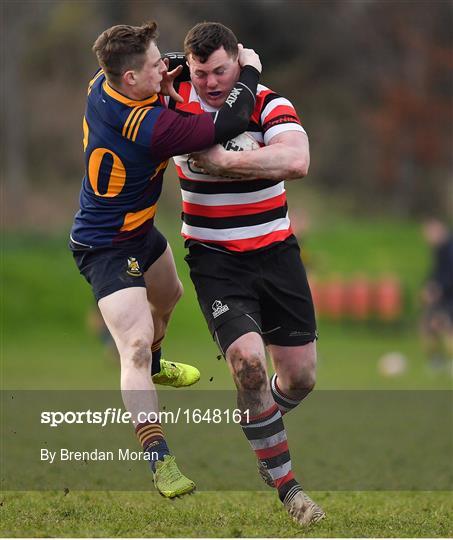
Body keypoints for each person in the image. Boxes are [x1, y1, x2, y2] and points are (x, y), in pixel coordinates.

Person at [69, 21, 262, 498]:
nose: (165, 66)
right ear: (131, 79)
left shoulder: (105, 79)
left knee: (170, 295)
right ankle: (160, 460)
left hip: (138, 230)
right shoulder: (150, 127)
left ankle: (156, 365)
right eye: (156, 65)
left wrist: (169, 72)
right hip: (104, 244)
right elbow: (227, 125)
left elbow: (161, 70)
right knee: (132, 345)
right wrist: (249, 73)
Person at [167, 22, 325, 524]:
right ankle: (290, 491)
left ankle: (260, 422)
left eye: (220, 70)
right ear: (186, 69)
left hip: (276, 253)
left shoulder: (269, 103)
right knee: (248, 364)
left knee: (299, 378)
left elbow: (297, 160)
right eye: (200, 72)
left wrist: (226, 164)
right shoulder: (175, 106)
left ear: (238, 59)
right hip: (215, 260)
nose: (211, 82)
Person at [421, 218, 453, 372]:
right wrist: (428, 286)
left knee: (445, 327)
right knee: (429, 327)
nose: (427, 237)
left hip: (448, 295)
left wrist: (438, 288)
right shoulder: (440, 249)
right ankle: (437, 361)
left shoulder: (449, 248)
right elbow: (436, 272)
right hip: (442, 294)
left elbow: (448, 273)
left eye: (430, 232)